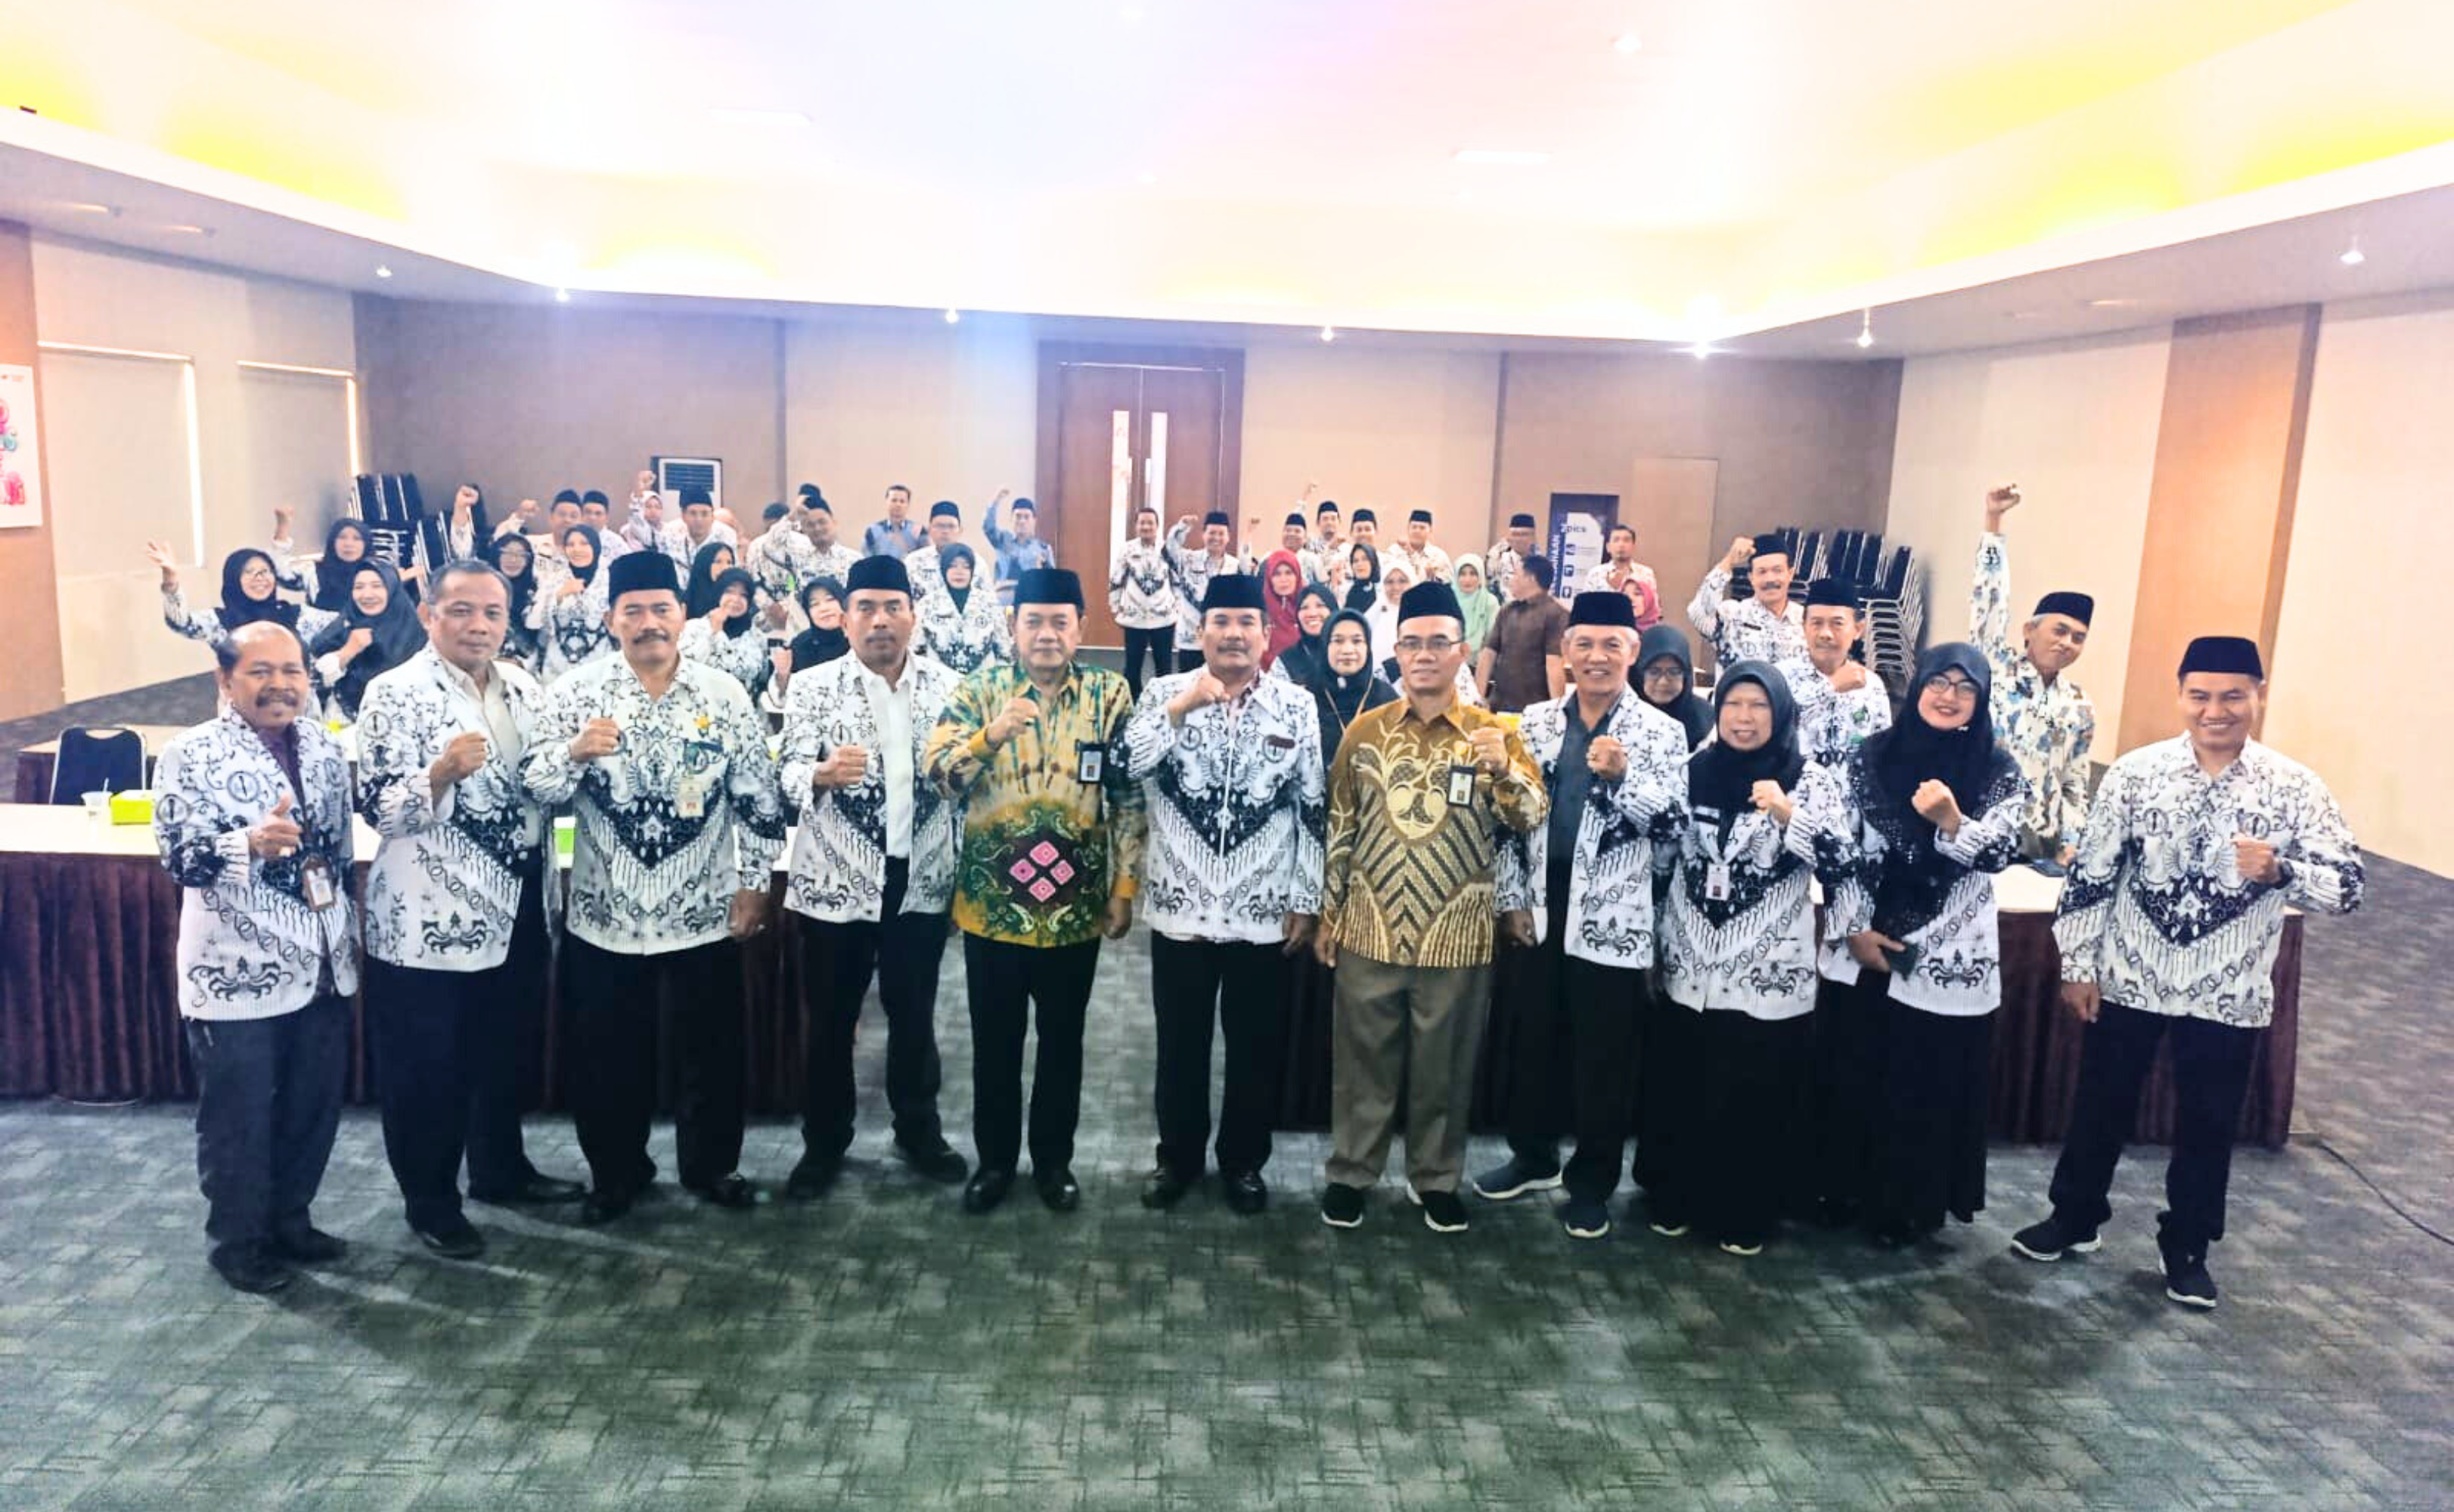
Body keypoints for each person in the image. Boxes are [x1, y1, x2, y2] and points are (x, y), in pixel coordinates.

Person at [2011, 635, 2363, 1309]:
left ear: (2258, 697)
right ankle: (2074, 1216)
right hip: (2130, 974)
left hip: (2228, 988)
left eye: (2232, 696)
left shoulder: (2294, 788)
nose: (2214, 711)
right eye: (2199, 695)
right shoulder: (2135, 775)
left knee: (2208, 1122)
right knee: (2099, 1104)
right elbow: (2091, 877)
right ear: (2179, 695)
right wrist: (2078, 966)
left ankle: (2188, 1246)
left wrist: (2282, 871)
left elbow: (2348, 887)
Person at [521, 550, 787, 1224]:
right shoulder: (575, 693)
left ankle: (711, 1166)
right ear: (611, 619)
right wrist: (573, 752)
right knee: (606, 1059)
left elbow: (758, 800)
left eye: (660, 609)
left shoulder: (723, 695)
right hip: (604, 914)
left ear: (683, 615)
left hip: (702, 909)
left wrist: (755, 885)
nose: (648, 623)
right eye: (633, 611)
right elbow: (537, 786)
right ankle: (616, 1174)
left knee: (713, 1054)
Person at [355, 561, 586, 1259]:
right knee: (427, 1068)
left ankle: (499, 1168)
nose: (477, 625)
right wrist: (439, 774)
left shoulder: (523, 686)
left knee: (502, 1051)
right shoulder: (392, 693)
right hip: (427, 918)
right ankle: (431, 1201)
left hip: (518, 904)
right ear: (430, 614)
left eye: (491, 612)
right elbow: (379, 811)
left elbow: (544, 783)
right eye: (460, 610)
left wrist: (576, 757)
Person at [1315, 581, 1545, 1235]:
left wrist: (1503, 771)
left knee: (1445, 1067)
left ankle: (1435, 1179)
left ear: (1461, 652)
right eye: (1411, 643)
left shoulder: (1492, 734)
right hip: (1370, 925)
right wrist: (1330, 912)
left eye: (1438, 643)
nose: (1423, 655)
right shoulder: (1365, 733)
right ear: (1395, 651)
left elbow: (1531, 817)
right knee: (1362, 1063)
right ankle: (1351, 1174)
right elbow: (1339, 826)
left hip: (1456, 933)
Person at [923, 568, 1146, 1215]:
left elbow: (1128, 795)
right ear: (1012, 627)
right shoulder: (979, 690)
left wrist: (1124, 886)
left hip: (1075, 911)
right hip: (992, 909)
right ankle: (995, 1163)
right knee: (994, 1047)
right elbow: (939, 778)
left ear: (1081, 628)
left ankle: (1053, 1163)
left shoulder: (1109, 693)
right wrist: (989, 736)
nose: (1046, 634)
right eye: (1033, 622)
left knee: (1062, 1045)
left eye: (1059, 622)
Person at [153, 621, 357, 1293]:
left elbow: (337, 853)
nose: (280, 685)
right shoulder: (189, 753)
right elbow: (179, 858)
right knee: (238, 1118)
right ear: (225, 679)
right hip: (235, 969)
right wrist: (246, 842)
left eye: (292, 671)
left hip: (323, 963)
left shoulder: (324, 747)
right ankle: (237, 1242)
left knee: (310, 1108)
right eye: (260, 672)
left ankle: (291, 1221)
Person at [1476, 593, 1688, 1239]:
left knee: (1604, 1053)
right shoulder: (1534, 722)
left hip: (1615, 910)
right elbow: (1507, 823)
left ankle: (1592, 1182)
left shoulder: (1661, 732)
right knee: (1533, 1038)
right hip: (1541, 901)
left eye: (1611, 645)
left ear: (1633, 651)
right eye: (1585, 644)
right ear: (1565, 651)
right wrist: (1511, 898)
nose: (1597, 657)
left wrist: (1624, 779)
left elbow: (1675, 826)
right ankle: (1532, 1155)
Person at [1122, 575, 1326, 1215]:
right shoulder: (1162, 692)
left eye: (1245, 622)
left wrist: (1307, 899)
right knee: (1179, 1046)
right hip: (1179, 910)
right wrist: (1182, 707)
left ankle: (1242, 1162)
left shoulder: (1295, 706)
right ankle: (1177, 1159)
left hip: (1262, 913)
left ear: (1265, 636)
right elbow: (1125, 764)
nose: (1233, 634)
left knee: (1254, 1048)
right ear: (1200, 631)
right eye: (1220, 622)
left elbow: (1312, 807)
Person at [778, 555, 970, 1198]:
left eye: (893, 607)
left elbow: (965, 786)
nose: (880, 620)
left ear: (914, 616)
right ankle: (823, 1144)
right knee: (830, 1022)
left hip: (919, 881)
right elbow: (783, 771)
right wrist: (817, 774)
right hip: (835, 883)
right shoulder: (812, 686)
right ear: (845, 619)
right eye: (866, 608)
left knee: (913, 1015)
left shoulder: (951, 687)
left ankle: (918, 1131)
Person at [1826, 643, 2026, 1246]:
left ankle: (1907, 1206)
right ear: (1916, 688)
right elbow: (1840, 847)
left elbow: (1999, 853)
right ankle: (1842, 1190)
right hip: (1868, 937)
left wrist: (1951, 823)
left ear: (1979, 701)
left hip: (1946, 944)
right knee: (1858, 1066)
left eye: (1965, 688)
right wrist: (1853, 928)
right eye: (1938, 682)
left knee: (1924, 1079)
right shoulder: (1870, 756)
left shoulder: (1997, 768)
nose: (1948, 696)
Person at [1650, 662, 1851, 1256]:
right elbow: (1663, 854)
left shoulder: (1809, 780)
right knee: (1685, 1084)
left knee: (1753, 1092)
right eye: (1733, 704)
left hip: (1766, 968)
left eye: (1758, 706)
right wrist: (1651, 942)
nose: (1743, 718)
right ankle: (1675, 1196)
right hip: (1689, 957)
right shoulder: (1692, 770)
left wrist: (1788, 814)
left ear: (1780, 713)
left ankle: (1745, 1210)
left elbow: (1842, 861)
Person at [1972, 485, 2098, 872]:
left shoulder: (2079, 705)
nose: (2067, 643)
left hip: (2041, 850)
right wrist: (1994, 522)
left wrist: (2072, 842)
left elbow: (2075, 782)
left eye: (2078, 638)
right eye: (2060, 631)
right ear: (2030, 630)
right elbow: (1989, 602)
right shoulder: (1994, 668)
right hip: (1981, 834)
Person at [151, 543, 343, 671]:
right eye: (248, 572)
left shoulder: (298, 616)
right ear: (233, 580)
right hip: (245, 711)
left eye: (265, 571)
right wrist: (171, 582)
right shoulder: (220, 622)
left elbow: (344, 622)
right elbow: (181, 623)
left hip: (296, 708)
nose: (259, 578)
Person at [1779, 578, 1891, 773]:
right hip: (1793, 788)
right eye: (1816, 623)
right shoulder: (1780, 677)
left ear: (1858, 630)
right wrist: (1829, 688)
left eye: (1837, 624)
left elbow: (1883, 750)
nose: (1826, 634)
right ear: (1804, 627)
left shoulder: (1872, 685)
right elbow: (1774, 734)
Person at [314, 560, 424, 721]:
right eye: (359, 587)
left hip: (407, 720)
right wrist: (348, 651)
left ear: (392, 589)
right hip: (347, 721)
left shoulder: (413, 630)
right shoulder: (345, 625)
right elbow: (316, 679)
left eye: (377, 586)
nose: (367, 595)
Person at [1689, 532, 1806, 671]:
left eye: (1777, 570)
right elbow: (1699, 614)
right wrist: (1729, 561)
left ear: (1790, 574)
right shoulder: (1733, 615)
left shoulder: (1807, 620)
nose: (1770, 579)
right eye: (1762, 572)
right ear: (1751, 578)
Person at [1475, 553, 1567, 713]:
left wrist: (1557, 711)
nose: (1511, 580)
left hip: (1535, 709)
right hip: (1499, 704)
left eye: (1516, 574)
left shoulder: (1555, 613)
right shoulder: (1507, 611)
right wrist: (1478, 698)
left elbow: (1554, 664)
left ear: (1531, 579)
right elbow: (1488, 655)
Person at [1110, 505, 1182, 699]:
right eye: (1142, 523)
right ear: (1136, 526)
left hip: (1164, 617)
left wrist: (1178, 606)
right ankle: (1133, 705)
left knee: (1164, 669)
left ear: (1157, 526)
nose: (1146, 527)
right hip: (1134, 618)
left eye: (1150, 523)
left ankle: (1163, 706)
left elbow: (1176, 579)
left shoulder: (1166, 549)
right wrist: (1115, 606)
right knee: (1132, 669)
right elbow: (1116, 578)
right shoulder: (1127, 549)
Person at [530, 523, 615, 682]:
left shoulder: (611, 581)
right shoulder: (554, 579)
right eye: (570, 544)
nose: (577, 549)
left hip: (600, 664)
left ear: (596, 547)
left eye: (584, 543)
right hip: (558, 666)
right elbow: (533, 622)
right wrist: (559, 595)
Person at [1165, 510, 1245, 674]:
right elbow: (1170, 549)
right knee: (1189, 683)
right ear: (1204, 535)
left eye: (1221, 534)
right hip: (1191, 638)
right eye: (1212, 533)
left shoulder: (1235, 566)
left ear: (1228, 537)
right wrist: (1182, 527)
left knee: (1221, 683)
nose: (1216, 538)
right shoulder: (1188, 559)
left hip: (1222, 639)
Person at [917, 542, 1011, 674]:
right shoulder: (927, 604)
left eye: (966, 567)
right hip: (937, 681)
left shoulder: (990, 603)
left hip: (983, 681)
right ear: (943, 569)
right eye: (953, 566)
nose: (959, 572)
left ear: (972, 571)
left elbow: (1004, 652)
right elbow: (916, 651)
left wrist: (998, 680)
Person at [680, 565, 771, 696]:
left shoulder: (757, 637)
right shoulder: (693, 628)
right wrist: (714, 634)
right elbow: (685, 668)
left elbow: (760, 679)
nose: (736, 599)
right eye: (729, 592)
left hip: (742, 705)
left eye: (743, 595)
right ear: (718, 593)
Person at [268, 514, 376, 612]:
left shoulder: (378, 573)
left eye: (357, 538)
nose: (348, 544)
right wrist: (283, 525)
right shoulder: (312, 571)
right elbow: (278, 571)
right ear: (332, 542)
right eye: (342, 537)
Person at [1635, 624, 1712, 750]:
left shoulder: (1705, 718)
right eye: (1654, 672)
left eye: (1674, 672)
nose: (1663, 682)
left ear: (1686, 674)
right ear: (1639, 674)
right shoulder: (1622, 718)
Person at [1579, 524, 1663, 631]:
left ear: (1633, 546)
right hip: (1602, 629)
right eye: (1616, 540)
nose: (1621, 545)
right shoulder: (1595, 574)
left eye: (1626, 540)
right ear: (1608, 547)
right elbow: (1585, 608)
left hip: (1638, 631)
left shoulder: (1646, 574)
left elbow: (1654, 608)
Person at [983, 489, 1056, 603]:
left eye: (1027, 517)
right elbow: (988, 527)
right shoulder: (1002, 540)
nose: (1022, 521)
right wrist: (996, 501)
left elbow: (1051, 582)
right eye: (1018, 516)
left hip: (1031, 599)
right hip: (1004, 598)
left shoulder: (1043, 549)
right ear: (1011, 518)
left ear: (1034, 521)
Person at [1270, 583, 1342, 691]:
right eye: (1304, 607)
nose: (1312, 614)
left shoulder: (1348, 650)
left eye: (1320, 606)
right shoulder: (1286, 659)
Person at [488, 533, 542, 669]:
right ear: (496, 555)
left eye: (521, 555)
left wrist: (521, 664)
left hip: (522, 667)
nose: (513, 560)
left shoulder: (536, 593)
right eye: (507, 553)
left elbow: (538, 641)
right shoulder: (480, 590)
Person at [658, 486, 737, 571]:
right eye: (693, 513)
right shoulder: (669, 534)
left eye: (705, 514)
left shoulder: (726, 536)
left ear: (712, 517)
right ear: (683, 516)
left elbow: (732, 573)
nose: (699, 520)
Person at [785, 577, 849, 677]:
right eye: (814, 604)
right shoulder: (800, 646)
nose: (823, 608)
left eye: (830, 599)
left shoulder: (862, 640)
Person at [1258, 548, 1308, 670]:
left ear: (1297, 575)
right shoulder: (1259, 611)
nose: (1284, 579)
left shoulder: (1309, 607)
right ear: (1269, 577)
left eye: (1289, 573)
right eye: (1277, 574)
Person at [799, 490, 861, 587]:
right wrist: (792, 515)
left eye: (822, 522)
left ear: (834, 522)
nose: (817, 528)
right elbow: (773, 544)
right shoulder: (798, 560)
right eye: (810, 525)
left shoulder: (854, 560)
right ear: (804, 530)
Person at [905, 500, 963, 602]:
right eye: (940, 526)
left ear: (960, 531)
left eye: (951, 526)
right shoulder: (913, 562)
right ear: (929, 530)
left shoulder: (976, 564)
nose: (945, 531)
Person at [1385, 507, 1452, 585]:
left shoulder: (1439, 557)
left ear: (1430, 530)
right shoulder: (1394, 552)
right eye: (1414, 527)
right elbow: (1385, 579)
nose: (1417, 531)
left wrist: (1433, 579)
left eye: (1422, 528)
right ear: (1408, 528)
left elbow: (1447, 585)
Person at [1452, 554, 1498, 658]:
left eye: (1473, 574)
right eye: (1462, 574)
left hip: (1480, 661)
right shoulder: (1449, 599)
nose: (1467, 580)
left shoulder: (1489, 602)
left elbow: (1493, 639)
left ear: (1480, 576)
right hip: (1451, 659)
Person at [1484, 513, 1540, 601]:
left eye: (1524, 534)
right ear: (1508, 537)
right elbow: (1489, 589)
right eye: (1515, 534)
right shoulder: (1496, 558)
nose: (1519, 539)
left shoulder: (1539, 563)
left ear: (1533, 537)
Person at [863, 483, 925, 559]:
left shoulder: (918, 530)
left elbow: (925, 557)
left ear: (908, 505)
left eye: (902, 501)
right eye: (894, 500)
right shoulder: (873, 531)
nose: (898, 505)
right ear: (887, 502)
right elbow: (867, 559)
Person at [579, 491, 631, 560]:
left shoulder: (616, 543)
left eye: (598, 514)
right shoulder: (569, 539)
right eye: (588, 512)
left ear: (606, 518)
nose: (592, 518)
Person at [620, 476, 664, 556]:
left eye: (658, 507)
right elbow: (635, 514)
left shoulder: (668, 531)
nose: (653, 511)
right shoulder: (630, 529)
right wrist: (639, 490)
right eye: (648, 507)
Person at [1342, 541, 1380, 615]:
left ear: (1373, 562)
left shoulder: (1382, 591)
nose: (1359, 564)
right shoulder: (1346, 592)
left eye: (1365, 559)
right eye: (1355, 561)